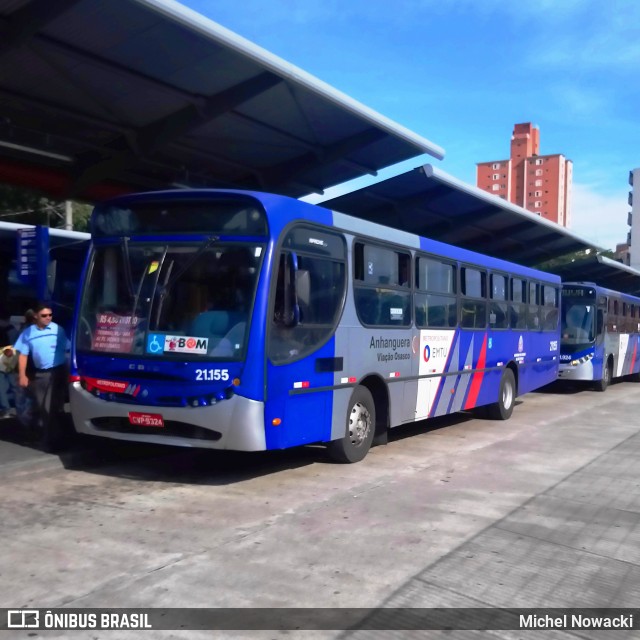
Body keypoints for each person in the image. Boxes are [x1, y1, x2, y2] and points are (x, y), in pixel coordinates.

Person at [14, 302, 69, 451]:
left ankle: (53, 441)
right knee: (43, 407)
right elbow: (23, 355)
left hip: (58, 372)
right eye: (44, 315)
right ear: (36, 316)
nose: (48, 318)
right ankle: (53, 438)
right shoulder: (28, 333)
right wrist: (22, 375)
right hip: (41, 375)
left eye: (50, 315)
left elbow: (68, 348)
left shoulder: (58, 329)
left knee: (54, 407)